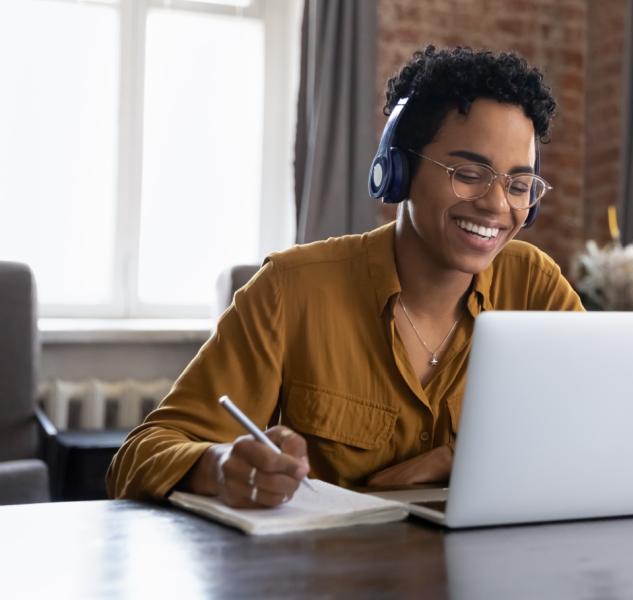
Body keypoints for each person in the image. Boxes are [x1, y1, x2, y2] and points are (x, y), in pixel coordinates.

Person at [106, 46, 583, 507]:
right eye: (469, 173)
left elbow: (597, 428)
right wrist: (222, 464)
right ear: (397, 169)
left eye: (519, 185)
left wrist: (462, 460)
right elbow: (140, 454)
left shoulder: (534, 286)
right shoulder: (290, 289)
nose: (498, 206)